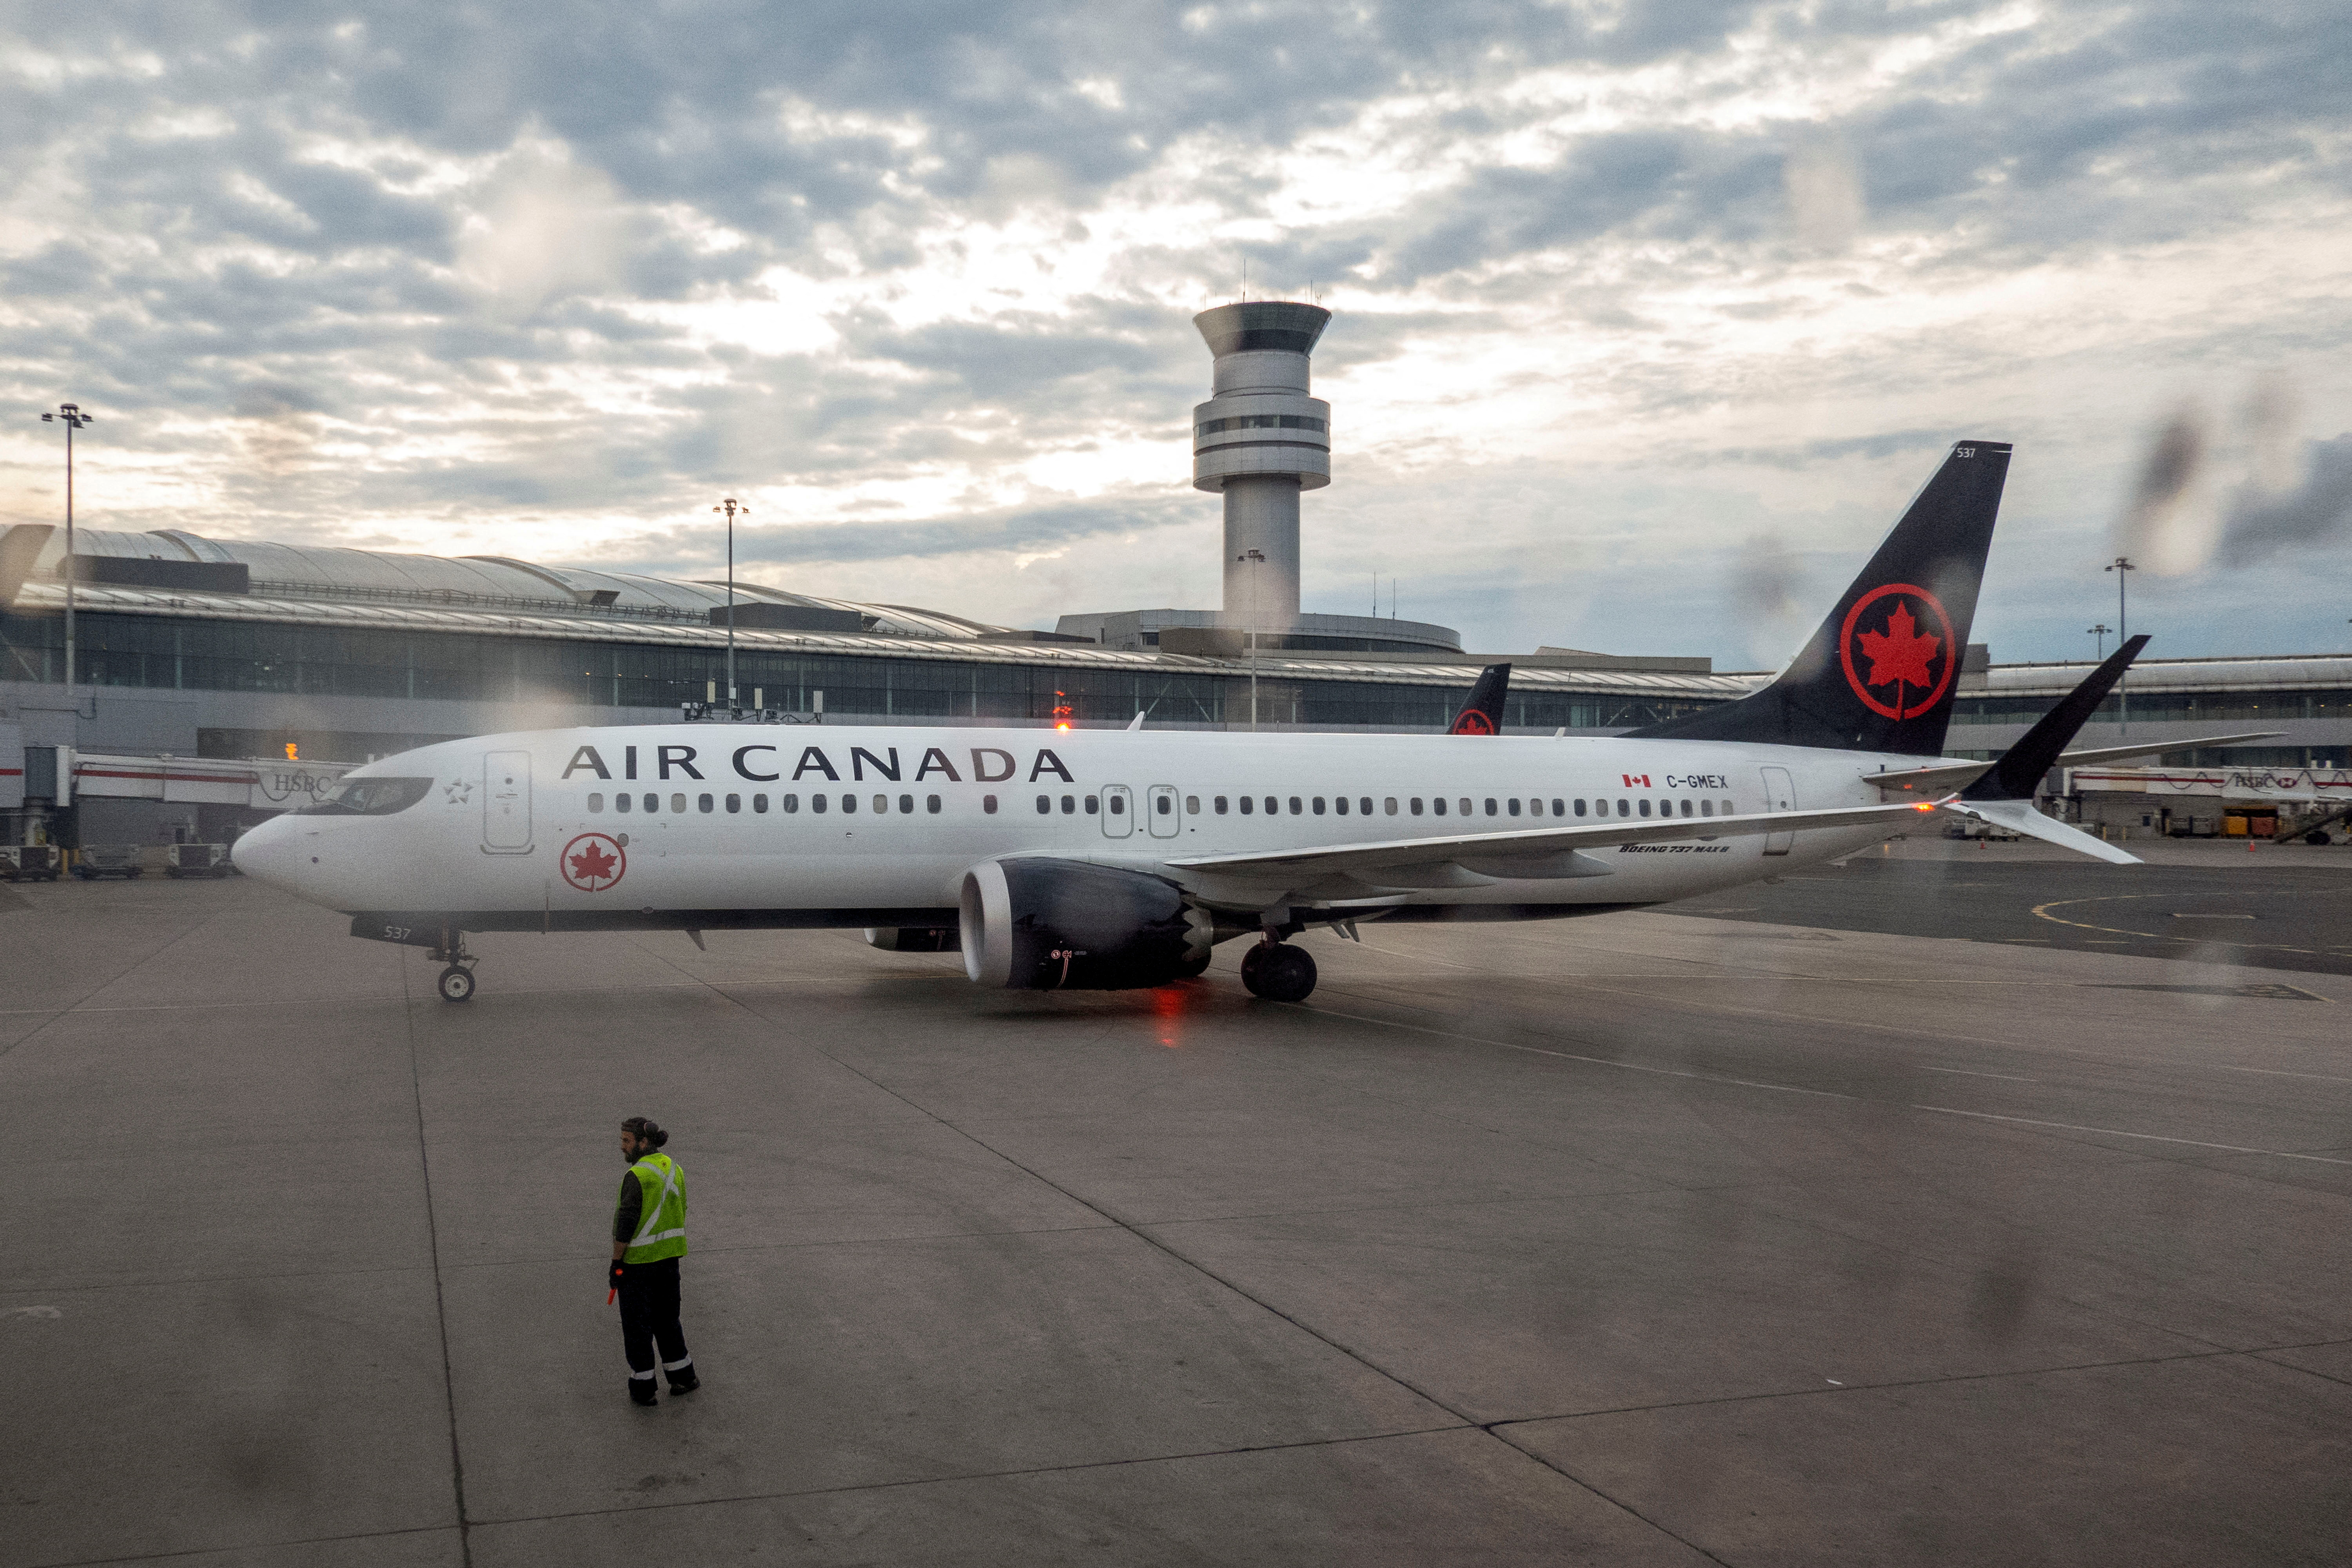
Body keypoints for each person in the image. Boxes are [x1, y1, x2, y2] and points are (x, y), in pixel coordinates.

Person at [608, 1116, 697, 1405]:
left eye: (626, 1141)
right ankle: (683, 1377)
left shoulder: (637, 1176)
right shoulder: (674, 1169)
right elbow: (681, 1208)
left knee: (637, 1328)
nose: (622, 1147)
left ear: (643, 1143)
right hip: (669, 1262)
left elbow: (626, 1224)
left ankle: (644, 1388)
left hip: (638, 1266)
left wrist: (616, 1263)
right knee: (668, 1321)